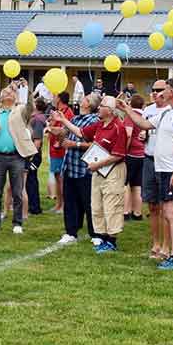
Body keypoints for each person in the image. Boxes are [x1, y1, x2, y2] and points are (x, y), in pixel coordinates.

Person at [120, 78, 173, 269]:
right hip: (163, 169)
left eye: (166, 89)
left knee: (172, 213)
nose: (161, 93)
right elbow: (144, 124)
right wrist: (127, 109)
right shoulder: (167, 112)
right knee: (171, 213)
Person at [53, 95, 127, 252]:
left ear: (111, 111)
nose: (99, 108)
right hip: (98, 169)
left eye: (102, 106)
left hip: (112, 170)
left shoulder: (118, 128)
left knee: (111, 205)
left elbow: (118, 154)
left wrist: (98, 164)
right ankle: (101, 236)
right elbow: (80, 132)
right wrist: (63, 120)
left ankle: (111, 240)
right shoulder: (100, 125)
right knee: (97, 204)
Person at [0, 86, 37, 234]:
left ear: (15, 96)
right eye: (4, 93)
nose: (7, 94)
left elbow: (30, 107)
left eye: (10, 92)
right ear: (0, 98)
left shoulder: (20, 111)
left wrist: (26, 90)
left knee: (17, 191)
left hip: (16, 156)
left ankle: (17, 223)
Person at [55, 93, 102, 245]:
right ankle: (70, 232)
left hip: (85, 169)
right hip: (70, 167)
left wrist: (74, 145)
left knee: (89, 202)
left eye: (85, 98)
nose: (81, 99)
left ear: (89, 104)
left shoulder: (94, 121)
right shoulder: (75, 119)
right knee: (70, 201)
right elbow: (64, 135)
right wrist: (56, 128)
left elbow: (96, 145)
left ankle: (95, 233)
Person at [141, 80, 171, 259]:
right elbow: (143, 131)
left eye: (159, 90)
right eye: (153, 90)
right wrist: (142, 135)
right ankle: (156, 243)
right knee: (152, 205)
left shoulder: (171, 111)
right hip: (149, 159)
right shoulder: (148, 110)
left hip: (165, 163)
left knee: (166, 206)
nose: (154, 93)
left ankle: (167, 246)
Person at [47, 92, 73, 214]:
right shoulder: (56, 111)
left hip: (61, 150)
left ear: (60, 99)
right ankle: (58, 204)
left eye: (55, 96)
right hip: (54, 149)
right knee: (57, 177)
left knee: (62, 178)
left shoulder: (67, 112)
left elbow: (64, 131)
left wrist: (49, 129)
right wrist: (51, 123)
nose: (53, 98)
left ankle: (64, 206)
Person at [123, 94, 146, 222]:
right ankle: (137, 212)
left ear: (130, 104)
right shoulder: (145, 116)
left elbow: (128, 134)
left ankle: (126, 211)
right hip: (142, 154)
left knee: (125, 183)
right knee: (137, 185)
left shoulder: (130, 116)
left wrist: (124, 151)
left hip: (131, 153)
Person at [27, 98, 48, 216]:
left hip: (33, 155)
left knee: (31, 180)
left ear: (36, 106)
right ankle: (32, 205)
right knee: (30, 180)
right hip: (31, 153)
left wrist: (32, 156)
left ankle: (35, 207)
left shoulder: (38, 120)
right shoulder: (35, 118)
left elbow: (37, 140)